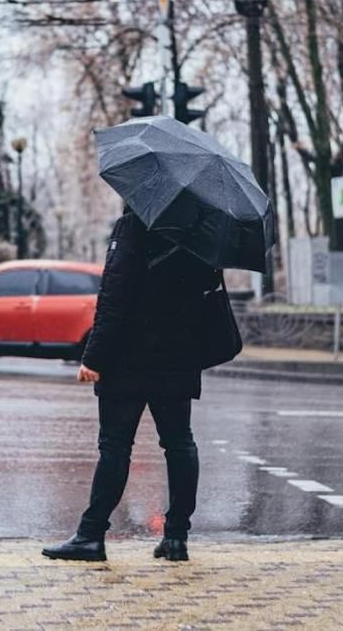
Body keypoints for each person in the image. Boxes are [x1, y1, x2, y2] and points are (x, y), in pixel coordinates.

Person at [42, 208, 218, 563]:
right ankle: (176, 538)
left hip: (128, 360)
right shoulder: (198, 229)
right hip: (178, 355)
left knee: (115, 447)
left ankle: (90, 535)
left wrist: (93, 357)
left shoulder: (134, 225)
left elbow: (114, 297)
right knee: (179, 444)